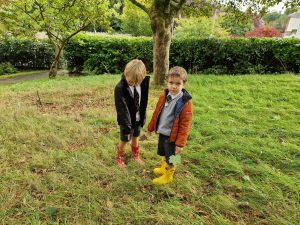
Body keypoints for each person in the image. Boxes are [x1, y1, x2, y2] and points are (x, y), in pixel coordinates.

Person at [148, 66, 193, 184]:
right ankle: (164, 168)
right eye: (171, 82)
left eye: (178, 84)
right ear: (167, 82)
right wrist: (151, 127)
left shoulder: (185, 102)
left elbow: (185, 125)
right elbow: (157, 112)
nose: (173, 86)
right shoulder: (164, 95)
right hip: (163, 132)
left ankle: (169, 175)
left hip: (173, 136)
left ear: (184, 84)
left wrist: (180, 144)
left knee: (172, 157)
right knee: (163, 152)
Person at [114, 59, 149, 168]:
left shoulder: (142, 84)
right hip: (126, 120)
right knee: (125, 138)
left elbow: (143, 101)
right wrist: (127, 125)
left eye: (136, 83)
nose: (133, 84)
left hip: (138, 118)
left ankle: (135, 155)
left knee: (136, 136)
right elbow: (122, 108)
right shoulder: (120, 88)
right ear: (125, 73)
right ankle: (119, 156)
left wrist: (143, 116)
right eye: (131, 82)